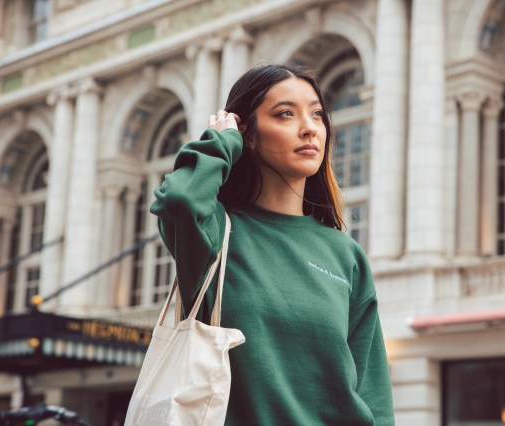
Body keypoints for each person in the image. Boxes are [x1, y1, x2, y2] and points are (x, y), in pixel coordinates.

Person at [151, 64, 395, 425]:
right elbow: (179, 201)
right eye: (285, 114)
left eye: (317, 114)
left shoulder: (345, 254)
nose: (309, 128)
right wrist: (221, 141)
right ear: (248, 134)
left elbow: (373, 392)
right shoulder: (216, 232)